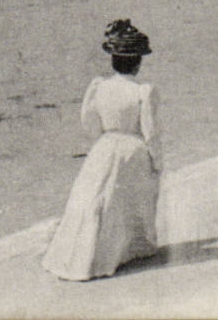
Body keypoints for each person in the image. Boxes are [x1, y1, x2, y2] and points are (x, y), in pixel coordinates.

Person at [43, 19, 161, 281]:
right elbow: (150, 130)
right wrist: (156, 159)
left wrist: (103, 141)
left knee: (94, 199)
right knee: (128, 201)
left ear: (113, 60)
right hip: (132, 147)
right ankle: (130, 248)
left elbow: (88, 118)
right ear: (138, 62)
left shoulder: (99, 86)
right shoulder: (143, 90)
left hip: (106, 145)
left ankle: (84, 254)